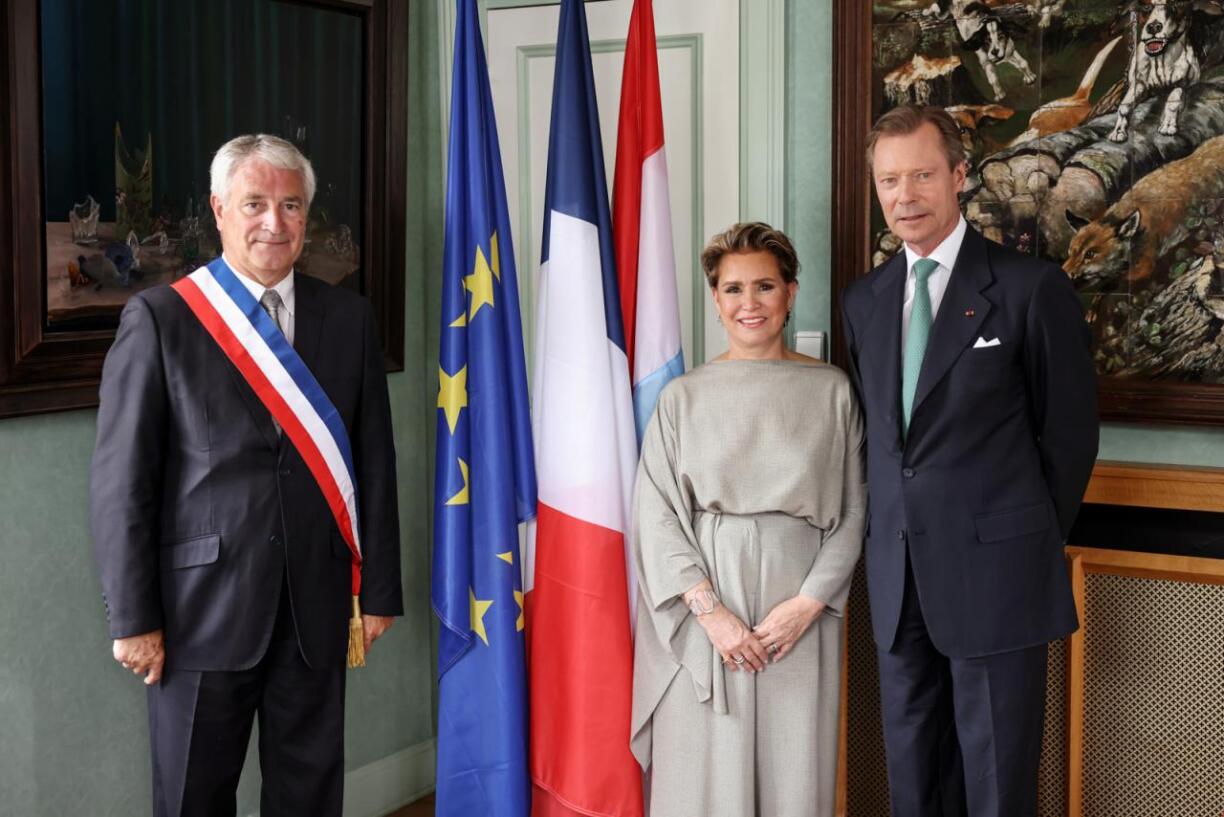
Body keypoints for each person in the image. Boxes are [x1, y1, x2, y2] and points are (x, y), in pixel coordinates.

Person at [89, 134, 403, 817]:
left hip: (316, 608)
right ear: (219, 208)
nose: (275, 222)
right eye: (255, 202)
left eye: (291, 205)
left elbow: (374, 460)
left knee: (309, 795)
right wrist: (134, 617)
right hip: (200, 612)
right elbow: (123, 486)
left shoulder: (349, 317)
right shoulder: (162, 318)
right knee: (193, 798)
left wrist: (377, 591)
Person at [840, 106, 1099, 817]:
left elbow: (1069, 435)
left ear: (958, 176)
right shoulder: (864, 302)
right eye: (888, 180)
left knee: (995, 784)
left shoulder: (1026, 288)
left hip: (999, 577)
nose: (905, 195)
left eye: (922, 174)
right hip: (898, 578)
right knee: (912, 779)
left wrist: (1024, 541)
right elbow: (886, 441)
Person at [630, 222, 866, 817]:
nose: (749, 303)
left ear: (790, 292)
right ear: (716, 300)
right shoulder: (682, 397)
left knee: (795, 773)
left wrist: (808, 604)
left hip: (802, 602)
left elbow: (856, 508)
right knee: (703, 775)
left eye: (764, 286)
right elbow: (656, 511)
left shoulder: (834, 391)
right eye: (733, 289)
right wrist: (711, 615)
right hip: (706, 601)